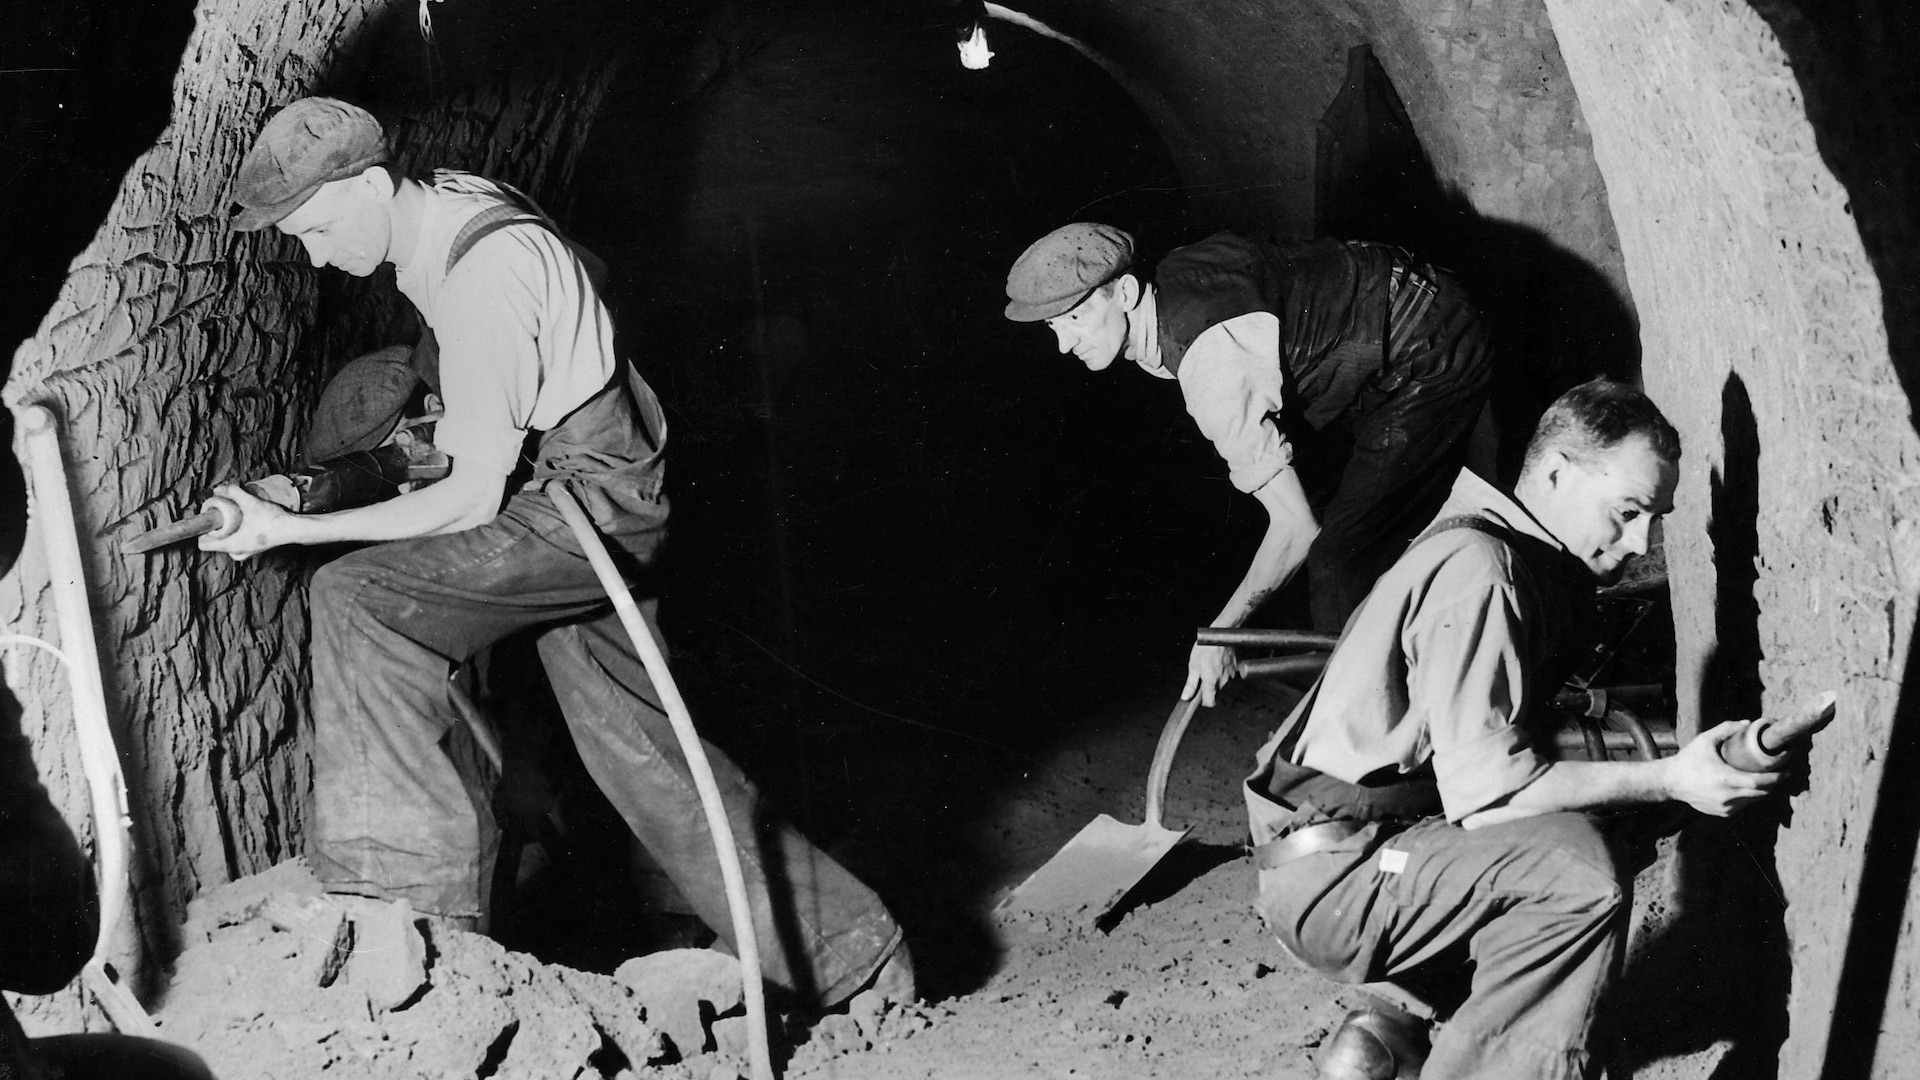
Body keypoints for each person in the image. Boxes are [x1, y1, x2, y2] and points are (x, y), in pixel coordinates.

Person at [204, 97, 909, 1012]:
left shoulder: (480, 276)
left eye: (316, 228)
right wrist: (310, 489)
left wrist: (294, 534)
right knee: (641, 749)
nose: (315, 254)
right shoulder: (446, 209)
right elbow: (459, 424)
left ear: (372, 187)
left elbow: (470, 493)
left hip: (585, 500)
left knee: (357, 598)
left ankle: (404, 912)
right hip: (590, 482)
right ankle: (858, 955)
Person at [1241, 379, 1783, 1079]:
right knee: (1575, 872)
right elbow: (1490, 791)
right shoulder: (1484, 572)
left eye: (1655, 519)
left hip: (1357, 854)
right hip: (1345, 874)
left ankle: (1388, 1032)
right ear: (1556, 470)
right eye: (1626, 511)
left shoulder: (1504, 556)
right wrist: (1670, 776)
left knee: (1593, 827)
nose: (1639, 542)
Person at [1004, 223, 1494, 704]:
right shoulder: (1175, 279)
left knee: (1338, 558)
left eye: (1075, 318)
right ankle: (1398, 670)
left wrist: (1223, 635)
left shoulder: (1209, 358)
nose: (1065, 344)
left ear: (1125, 291)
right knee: (1332, 504)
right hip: (1391, 320)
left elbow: (1297, 529)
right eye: (1053, 326)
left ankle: (1375, 754)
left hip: (1429, 345)